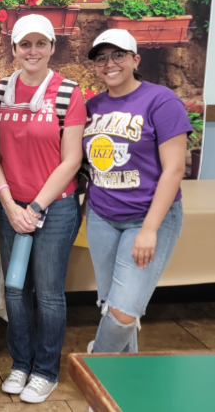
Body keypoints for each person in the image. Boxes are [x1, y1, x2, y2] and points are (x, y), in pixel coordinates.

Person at [0, 15, 86, 403]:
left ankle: (45, 371)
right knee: (14, 289)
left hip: (56, 209)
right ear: (13, 49)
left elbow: (71, 160)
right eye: (24, 44)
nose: (32, 51)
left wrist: (37, 208)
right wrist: (11, 204)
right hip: (11, 207)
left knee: (47, 293)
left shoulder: (68, 93)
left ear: (51, 48)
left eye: (39, 44)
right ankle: (20, 364)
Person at [84, 29, 191, 355]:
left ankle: (97, 367)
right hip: (102, 216)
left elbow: (174, 169)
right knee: (112, 304)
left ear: (135, 59)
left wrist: (148, 229)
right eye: (101, 58)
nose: (109, 63)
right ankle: (120, 389)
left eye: (118, 55)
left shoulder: (161, 100)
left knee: (123, 311)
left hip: (148, 218)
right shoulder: (92, 106)